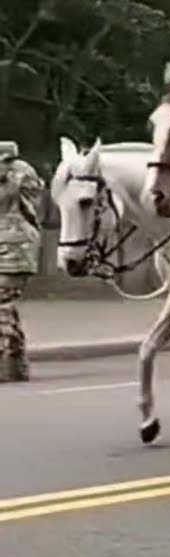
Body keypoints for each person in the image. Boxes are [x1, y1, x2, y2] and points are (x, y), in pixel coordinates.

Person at [0, 141, 45, 383]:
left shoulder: (16, 174)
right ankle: (14, 365)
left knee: (2, 303)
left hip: (13, 249)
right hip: (16, 247)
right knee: (6, 306)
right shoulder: (21, 173)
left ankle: (6, 364)